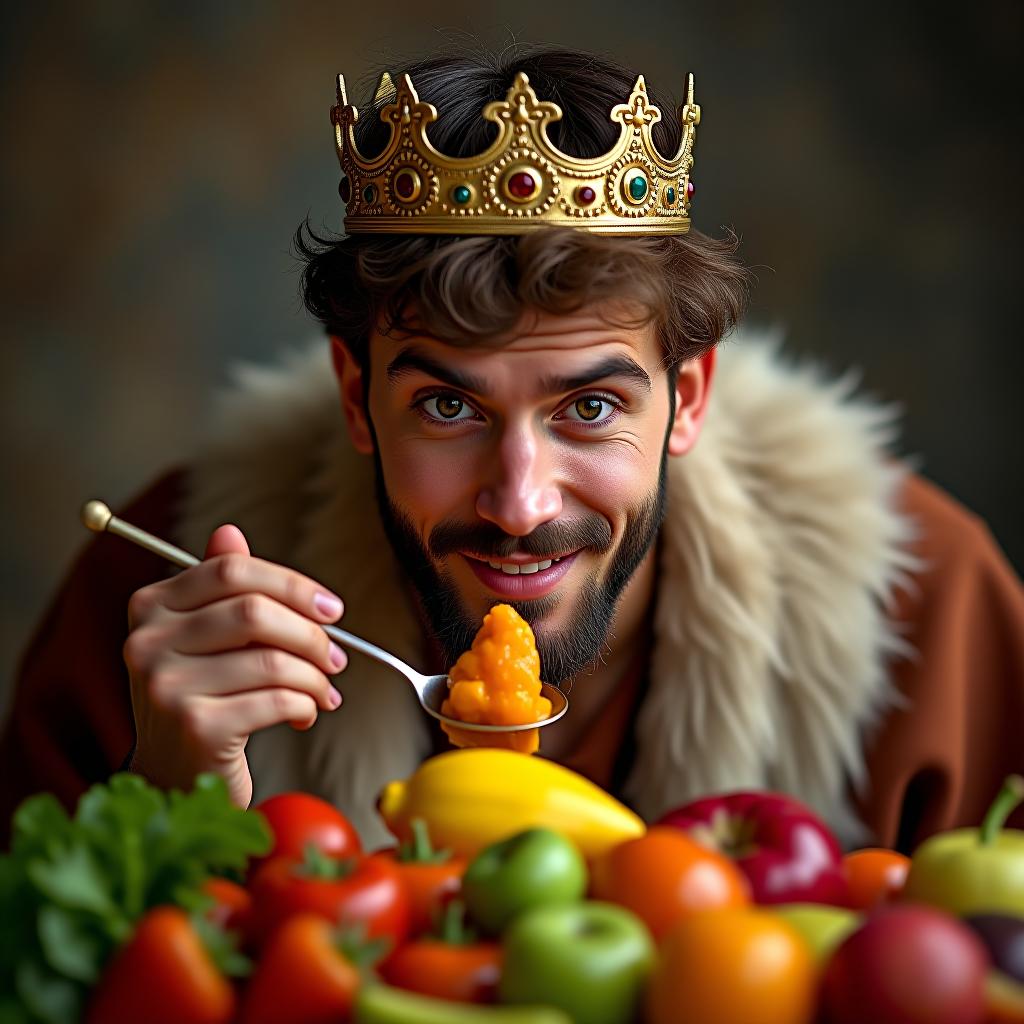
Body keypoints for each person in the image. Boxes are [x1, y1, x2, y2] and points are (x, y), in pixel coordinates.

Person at [2, 47, 1022, 853]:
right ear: (357, 397)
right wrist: (174, 817)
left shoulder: (928, 613)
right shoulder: (158, 608)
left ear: (687, 400)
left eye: (587, 409)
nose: (519, 503)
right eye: (448, 406)